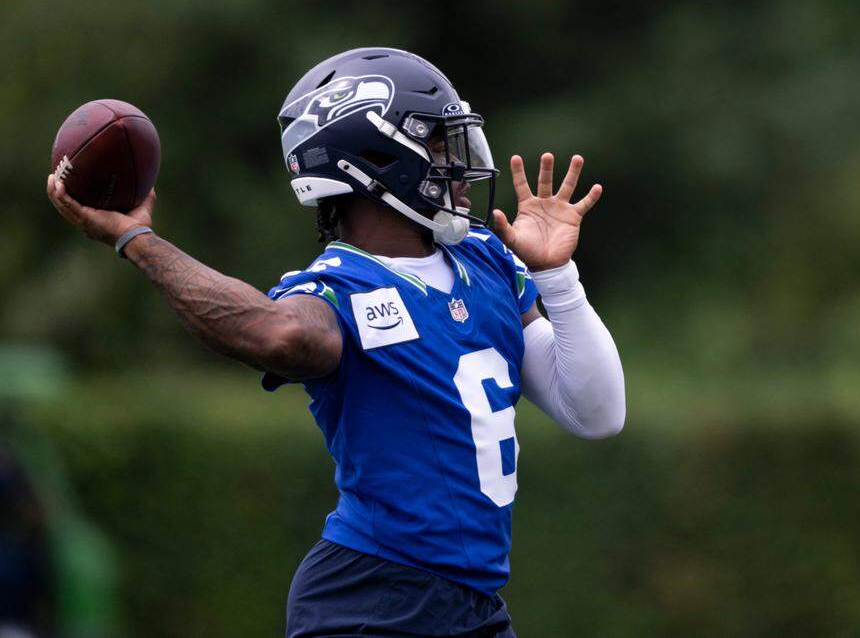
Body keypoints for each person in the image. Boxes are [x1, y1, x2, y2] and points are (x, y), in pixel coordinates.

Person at [45, 47, 626, 637]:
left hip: (473, 606)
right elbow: (279, 334)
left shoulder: (487, 261)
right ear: (376, 158)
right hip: (373, 600)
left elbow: (597, 412)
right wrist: (138, 241)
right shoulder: (339, 287)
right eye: (437, 146)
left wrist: (557, 276)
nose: (457, 164)